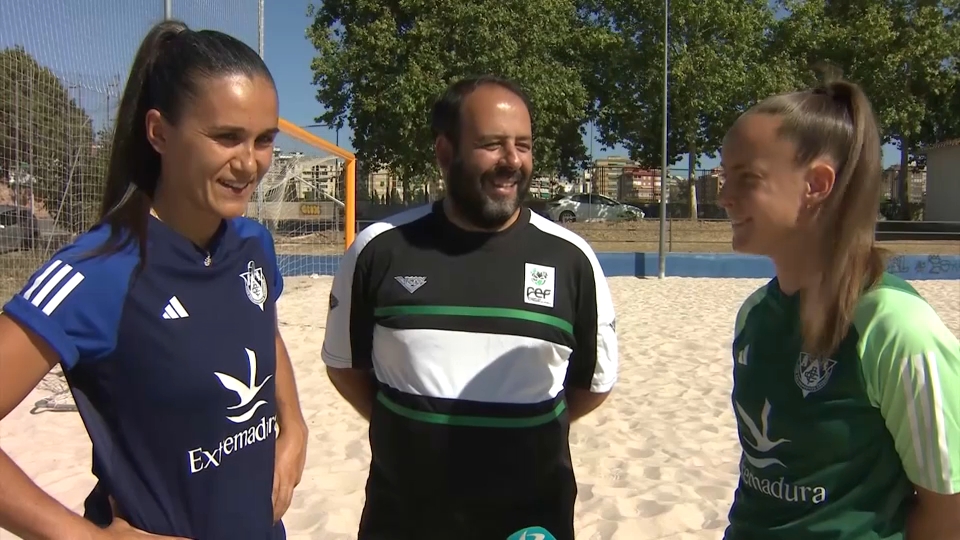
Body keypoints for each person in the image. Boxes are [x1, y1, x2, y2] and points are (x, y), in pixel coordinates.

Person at [0, 20, 307, 540]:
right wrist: (85, 537)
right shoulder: (98, 271)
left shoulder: (253, 242)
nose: (249, 163)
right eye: (227, 137)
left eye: (263, 141)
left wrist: (293, 422)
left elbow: (262, 332)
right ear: (159, 132)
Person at [321, 75, 618, 540]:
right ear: (445, 152)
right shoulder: (379, 250)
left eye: (523, 145)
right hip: (404, 523)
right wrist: (411, 431)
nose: (512, 160)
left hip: (530, 522)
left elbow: (590, 386)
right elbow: (346, 368)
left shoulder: (571, 259)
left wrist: (516, 436)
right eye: (492, 144)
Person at [718, 77, 960, 539]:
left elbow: (948, 511)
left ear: (817, 183)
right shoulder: (755, 314)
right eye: (724, 175)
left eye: (747, 177)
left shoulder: (894, 326)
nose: (725, 195)